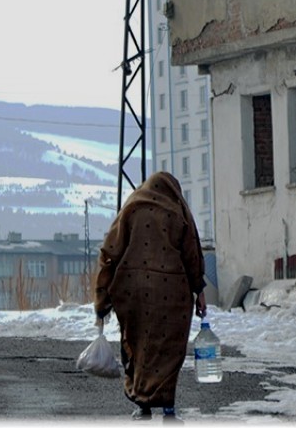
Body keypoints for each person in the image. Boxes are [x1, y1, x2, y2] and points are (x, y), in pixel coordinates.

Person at [94, 171, 208, 421]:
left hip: (133, 292)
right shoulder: (178, 211)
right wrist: (199, 290)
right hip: (173, 293)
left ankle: (142, 403)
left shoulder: (131, 207)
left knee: (137, 345)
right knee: (168, 349)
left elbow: (109, 253)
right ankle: (167, 407)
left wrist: (102, 299)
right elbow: (192, 255)